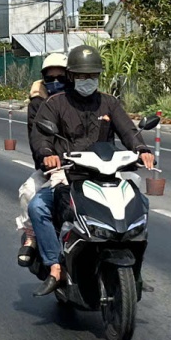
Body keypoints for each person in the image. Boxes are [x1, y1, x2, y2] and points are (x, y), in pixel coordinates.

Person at [26, 44, 153, 294]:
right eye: (82, 75)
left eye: (92, 75)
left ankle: (135, 270)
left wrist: (142, 149)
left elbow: (128, 130)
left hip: (106, 174)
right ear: (71, 76)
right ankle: (55, 266)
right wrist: (48, 154)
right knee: (38, 207)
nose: (87, 80)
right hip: (69, 175)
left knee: (141, 204)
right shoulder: (55, 104)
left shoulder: (109, 103)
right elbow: (41, 136)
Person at [15, 52, 67, 268]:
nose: (56, 82)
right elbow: (37, 138)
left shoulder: (82, 101)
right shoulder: (38, 103)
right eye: (50, 78)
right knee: (29, 192)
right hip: (53, 166)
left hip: (86, 166)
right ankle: (31, 236)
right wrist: (47, 159)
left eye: (61, 78)